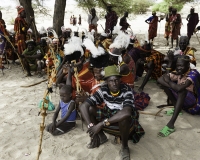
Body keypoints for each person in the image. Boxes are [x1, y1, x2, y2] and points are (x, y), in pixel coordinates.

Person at [79, 65, 144, 160]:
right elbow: (83, 106)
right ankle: (101, 136)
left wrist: (101, 124)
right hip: (109, 115)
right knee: (90, 109)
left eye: (116, 80)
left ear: (120, 80)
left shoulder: (127, 90)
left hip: (125, 122)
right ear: (106, 82)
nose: (114, 83)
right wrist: (91, 127)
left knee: (124, 117)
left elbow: (126, 112)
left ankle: (124, 147)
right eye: (110, 81)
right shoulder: (103, 90)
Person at [157, 55, 200, 137]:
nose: (178, 68)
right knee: (169, 86)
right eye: (177, 66)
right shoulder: (180, 72)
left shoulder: (193, 74)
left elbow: (180, 88)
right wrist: (170, 84)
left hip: (195, 105)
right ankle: (177, 108)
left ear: (188, 66)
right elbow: (160, 79)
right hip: (185, 101)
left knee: (182, 91)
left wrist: (169, 82)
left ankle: (171, 125)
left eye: (181, 66)